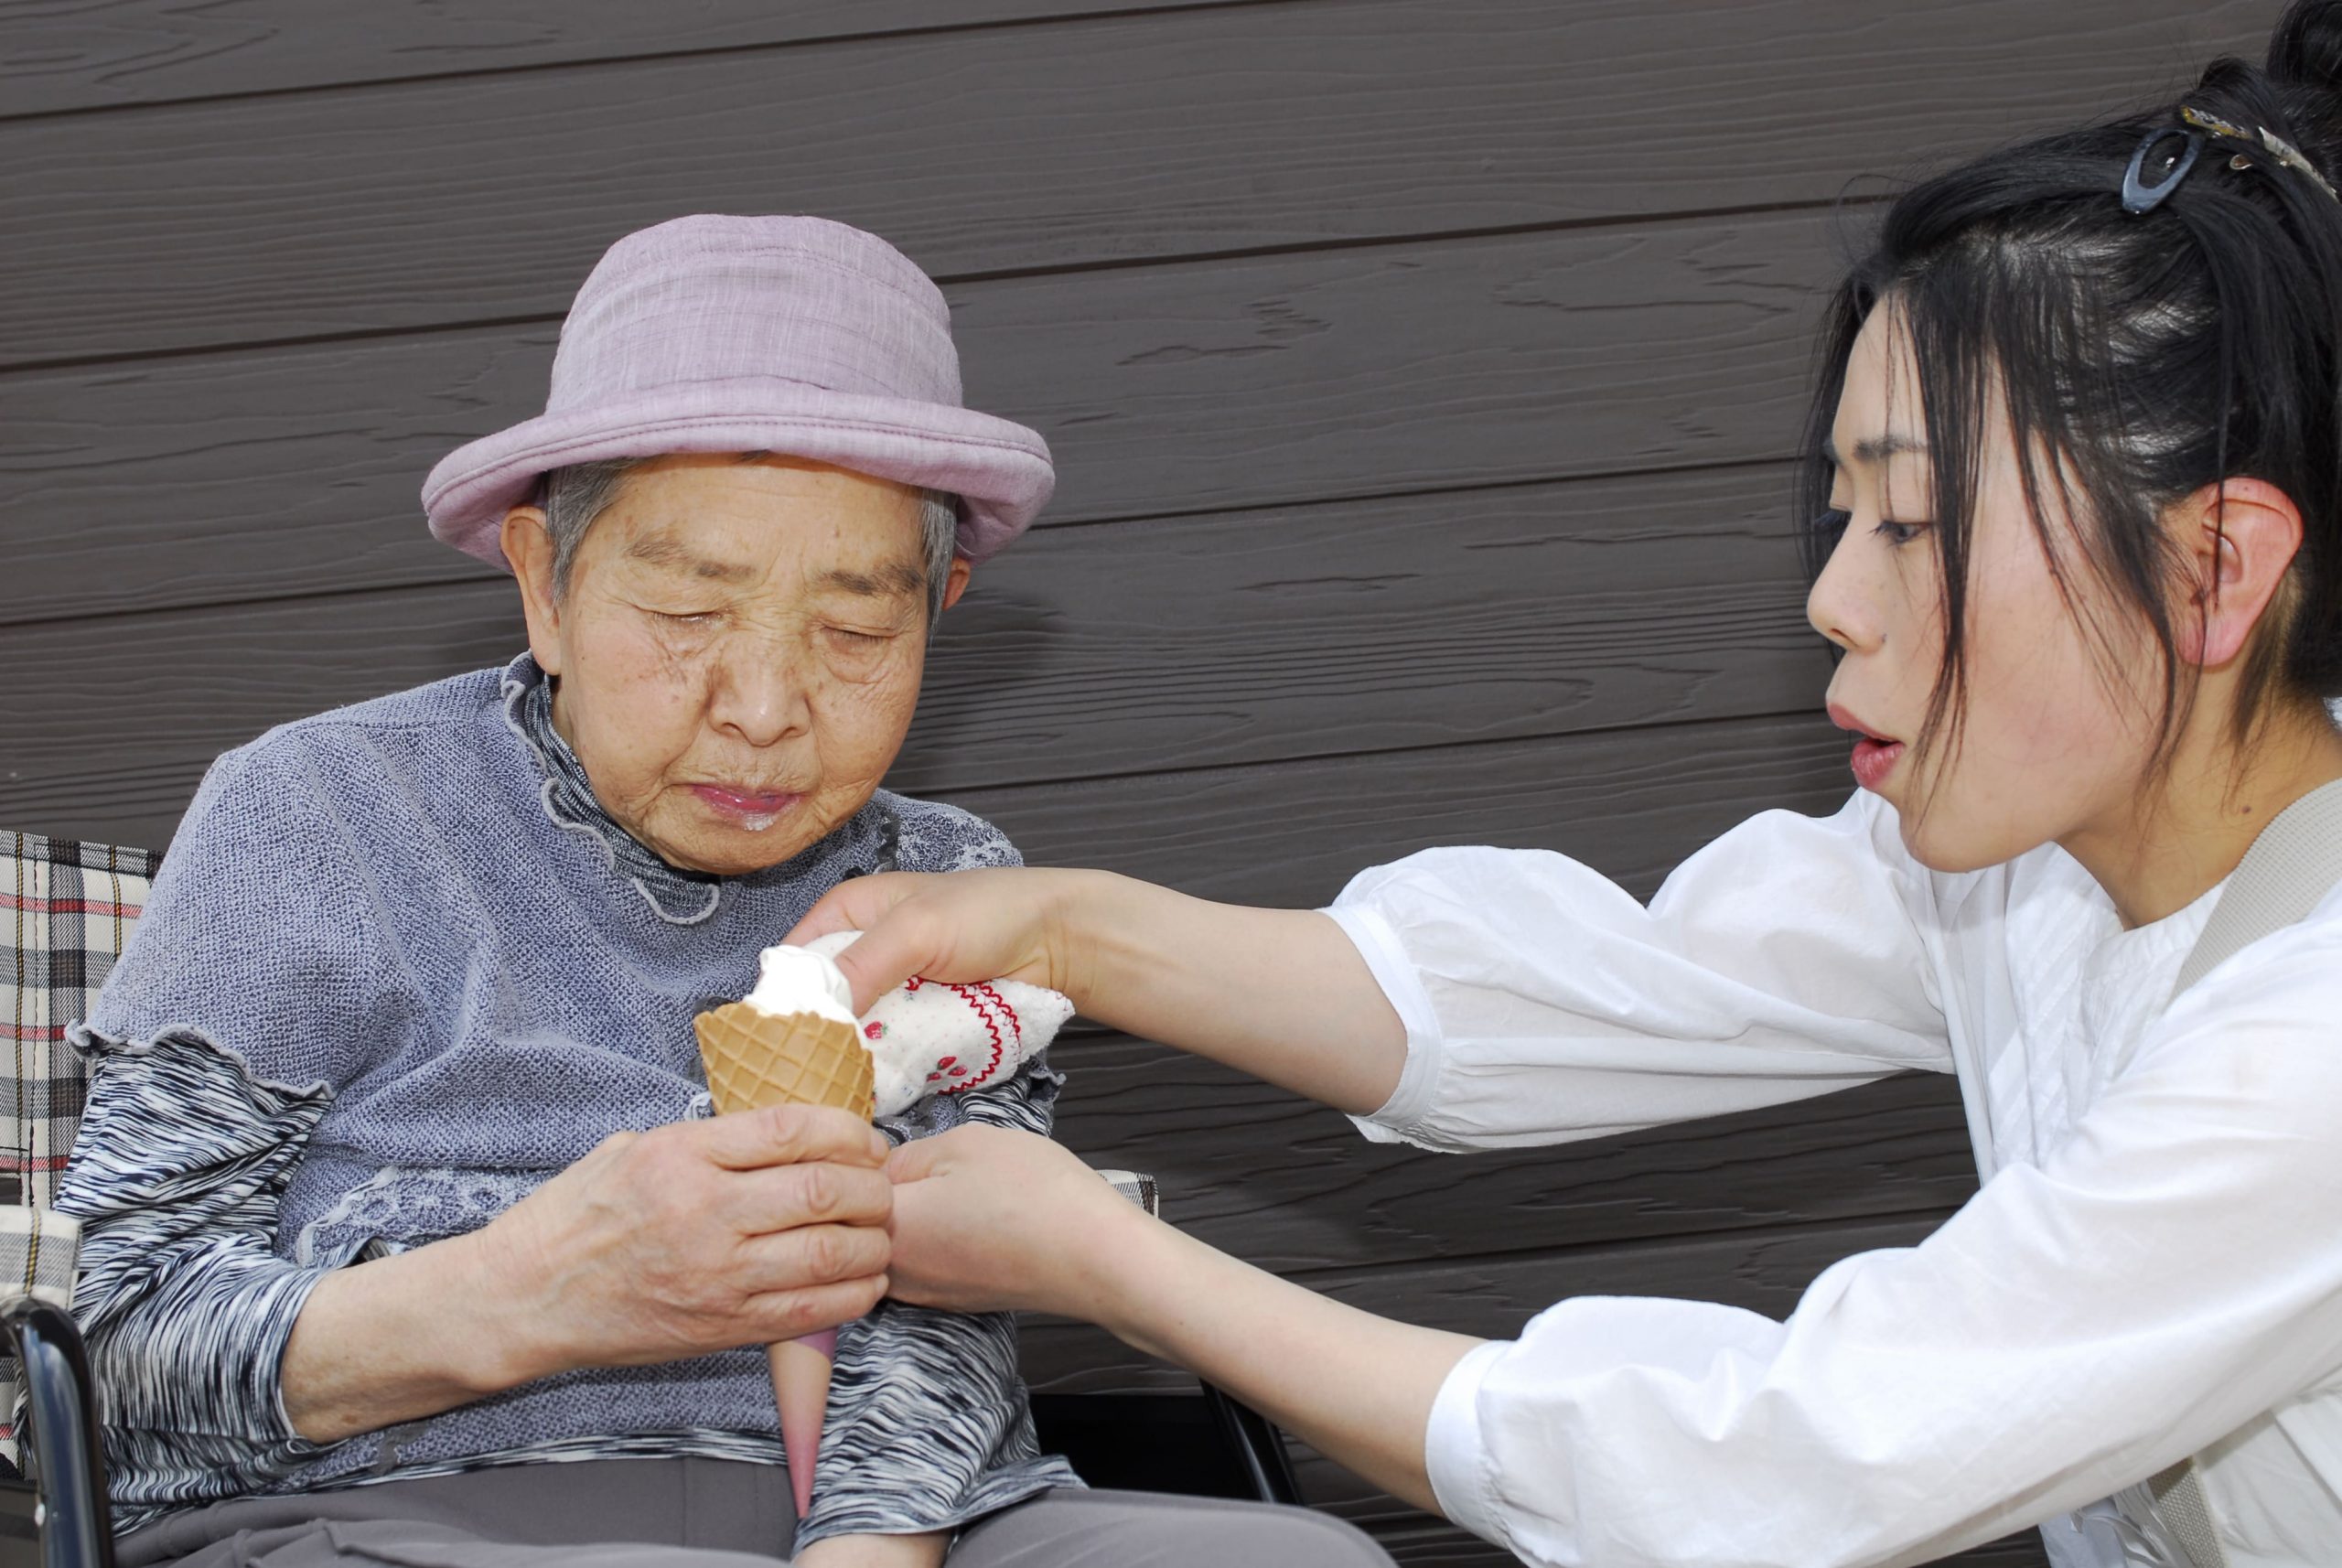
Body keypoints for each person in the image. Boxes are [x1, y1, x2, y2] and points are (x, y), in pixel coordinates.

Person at [787, 8, 2342, 1566]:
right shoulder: (2029, 862)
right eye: (1844, 511)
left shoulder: (2309, 1048)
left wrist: (1121, 1267)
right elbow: (1593, 991)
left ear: (2214, 568)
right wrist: (1063, 931)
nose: (1833, 599)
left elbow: (1790, 1458)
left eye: (1916, 524)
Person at [58, 215, 1393, 1568]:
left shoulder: (951, 884)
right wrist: (528, 1287)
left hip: (891, 1520)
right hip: (392, 1509)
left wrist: (869, 1557)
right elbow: (117, 1359)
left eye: (855, 628)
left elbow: (937, 1312)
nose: (762, 709)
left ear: (941, 607)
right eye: (689, 613)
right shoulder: (321, 809)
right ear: (544, 583)